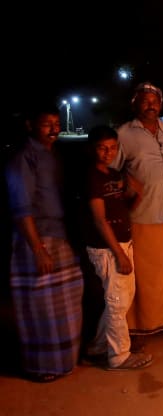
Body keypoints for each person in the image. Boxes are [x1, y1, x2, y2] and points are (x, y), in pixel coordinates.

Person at [4, 105, 84, 382]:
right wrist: (38, 249)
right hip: (36, 240)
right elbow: (21, 207)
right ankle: (41, 367)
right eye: (46, 123)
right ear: (30, 125)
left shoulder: (54, 156)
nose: (53, 128)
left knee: (66, 305)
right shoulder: (23, 158)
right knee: (41, 309)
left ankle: (63, 363)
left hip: (59, 235)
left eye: (55, 123)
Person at [111, 82, 163, 336]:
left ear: (161, 104)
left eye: (155, 101)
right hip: (143, 216)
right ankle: (140, 328)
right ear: (135, 104)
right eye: (145, 101)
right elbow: (111, 171)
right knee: (145, 278)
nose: (151, 105)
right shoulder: (124, 134)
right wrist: (126, 182)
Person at [82, 126, 153, 370]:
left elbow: (125, 207)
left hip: (122, 243)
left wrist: (137, 193)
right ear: (93, 148)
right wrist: (119, 253)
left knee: (121, 300)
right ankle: (119, 355)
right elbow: (99, 219)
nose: (107, 152)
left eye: (112, 148)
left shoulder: (113, 175)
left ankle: (98, 346)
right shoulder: (91, 177)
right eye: (102, 148)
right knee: (116, 301)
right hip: (107, 249)